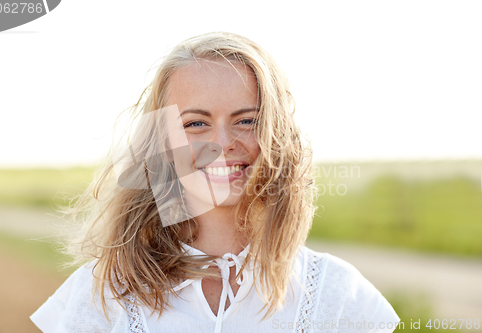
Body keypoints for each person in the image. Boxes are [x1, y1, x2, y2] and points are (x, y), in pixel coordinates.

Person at [31, 31, 400, 333]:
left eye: (246, 120)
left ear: (278, 135)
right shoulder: (103, 293)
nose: (222, 144)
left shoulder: (339, 296)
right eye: (196, 123)